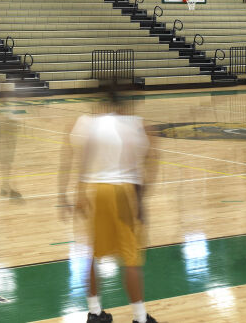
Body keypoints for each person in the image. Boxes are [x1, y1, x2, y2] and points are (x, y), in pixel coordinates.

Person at [59, 84, 158, 323]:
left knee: (92, 255)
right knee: (131, 258)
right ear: (124, 104)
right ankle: (140, 317)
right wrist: (141, 202)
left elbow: (70, 159)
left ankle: (95, 312)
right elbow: (150, 169)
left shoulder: (84, 123)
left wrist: (67, 196)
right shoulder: (138, 125)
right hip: (124, 192)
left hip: (94, 192)